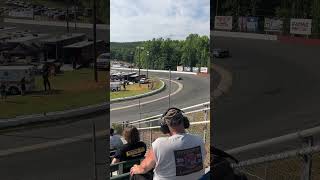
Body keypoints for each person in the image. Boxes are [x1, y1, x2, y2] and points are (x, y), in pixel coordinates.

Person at [130, 107, 206, 180]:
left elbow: (144, 168)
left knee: (135, 173)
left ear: (164, 127)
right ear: (185, 122)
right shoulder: (199, 140)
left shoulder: (159, 144)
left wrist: (136, 167)